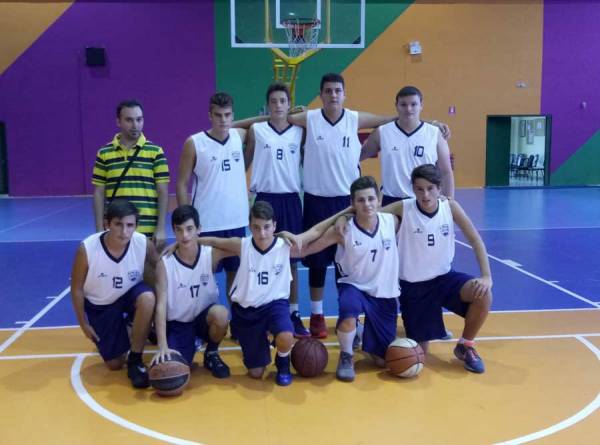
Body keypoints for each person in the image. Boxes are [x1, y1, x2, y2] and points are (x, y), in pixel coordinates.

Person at [287, 73, 450, 339]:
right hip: (319, 198)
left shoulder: (355, 118)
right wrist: (289, 111)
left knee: (352, 260)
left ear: (344, 94)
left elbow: (390, 119)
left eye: (338, 90)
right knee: (318, 262)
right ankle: (317, 315)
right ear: (321, 94)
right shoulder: (311, 118)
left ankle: (351, 316)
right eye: (328, 91)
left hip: (352, 199)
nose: (333, 95)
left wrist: (428, 122)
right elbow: (282, 118)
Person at [283, 176, 401, 382]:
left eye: (371, 199)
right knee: (348, 310)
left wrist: (444, 200)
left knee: (382, 361)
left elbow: (415, 208)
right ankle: (346, 355)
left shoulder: (392, 222)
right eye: (361, 200)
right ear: (352, 203)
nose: (367, 204)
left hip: (383, 292)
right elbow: (307, 248)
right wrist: (274, 245)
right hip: (354, 286)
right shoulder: (343, 230)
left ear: (379, 200)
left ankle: (361, 332)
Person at [384, 164, 492, 373]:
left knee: (483, 293)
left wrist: (486, 276)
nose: (425, 195)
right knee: (417, 356)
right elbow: (367, 214)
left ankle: (465, 345)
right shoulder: (403, 207)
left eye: (430, 188)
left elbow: (475, 240)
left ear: (439, 188)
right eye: (419, 189)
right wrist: (343, 217)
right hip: (414, 288)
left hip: (444, 280)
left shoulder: (450, 207)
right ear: (413, 189)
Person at [195, 201, 297, 386]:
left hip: (274, 305)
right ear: (250, 227)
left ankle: (283, 362)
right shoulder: (242, 245)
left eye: (267, 227)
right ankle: (258, 342)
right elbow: (215, 241)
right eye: (256, 228)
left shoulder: (285, 244)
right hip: (247, 311)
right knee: (256, 373)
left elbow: (315, 233)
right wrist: (184, 242)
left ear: (274, 225)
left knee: (286, 334)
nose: (262, 233)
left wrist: (345, 213)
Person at [244, 82, 309, 339]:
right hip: (264, 198)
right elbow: (245, 161)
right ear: (267, 105)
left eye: (283, 101)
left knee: (290, 259)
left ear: (289, 104)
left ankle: (293, 312)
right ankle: (263, 309)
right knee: (261, 258)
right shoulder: (256, 130)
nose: (278, 105)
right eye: (274, 101)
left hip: (291, 198)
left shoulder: (300, 131)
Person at [70, 199, 157, 388]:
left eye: (130, 225)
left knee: (148, 298)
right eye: (118, 224)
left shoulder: (143, 243)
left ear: (136, 226)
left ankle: (135, 359)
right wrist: (83, 324)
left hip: (129, 295)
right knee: (115, 364)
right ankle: (133, 327)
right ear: (106, 224)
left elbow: (162, 268)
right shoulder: (87, 249)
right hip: (101, 305)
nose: (124, 231)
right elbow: (76, 288)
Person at [176, 93, 248, 302]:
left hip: (236, 221)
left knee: (236, 276)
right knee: (204, 277)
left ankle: (237, 318)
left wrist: (273, 116)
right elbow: (181, 183)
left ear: (233, 115)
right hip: (207, 222)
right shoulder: (194, 143)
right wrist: (186, 219)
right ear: (209, 115)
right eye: (218, 115)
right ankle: (205, 317)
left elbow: (253, 125)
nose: (223, 120)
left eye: (227, 115)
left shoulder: (239, 135)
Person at [151, 205, 231, 378]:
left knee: (221, 314)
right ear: (173, 231)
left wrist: (200, 240)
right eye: (179, 230)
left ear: (198, 229)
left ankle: (211, 353)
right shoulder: (165, 263)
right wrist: (162, 346)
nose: (184, 235)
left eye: (189, 229)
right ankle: (184, 341)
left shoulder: (210, 254)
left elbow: (240, 245)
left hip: (204, 319)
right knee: (174, 369)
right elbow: (161, 305)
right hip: (179, 323)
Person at [92, 100, 169, 249]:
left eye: (139, 119)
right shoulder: (104, 154)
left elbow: (163, 192)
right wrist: (99, 229)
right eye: (129, 120)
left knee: (150, 265)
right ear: (118, 122)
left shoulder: (156, 152)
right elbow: (99, 194)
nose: (135, 125)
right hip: (116, 230)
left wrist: (161, 228)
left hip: (148, 230)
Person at [360, 86, 454, 205]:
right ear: (396, 106)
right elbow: (357, 156)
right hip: (391, 200)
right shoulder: (382, 132)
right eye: (403, 104)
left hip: (425, 199)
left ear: (421, 105)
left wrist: (449, 202)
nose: (408, 109)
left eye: (413, 104)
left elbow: (446, 172)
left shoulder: (435, 134)